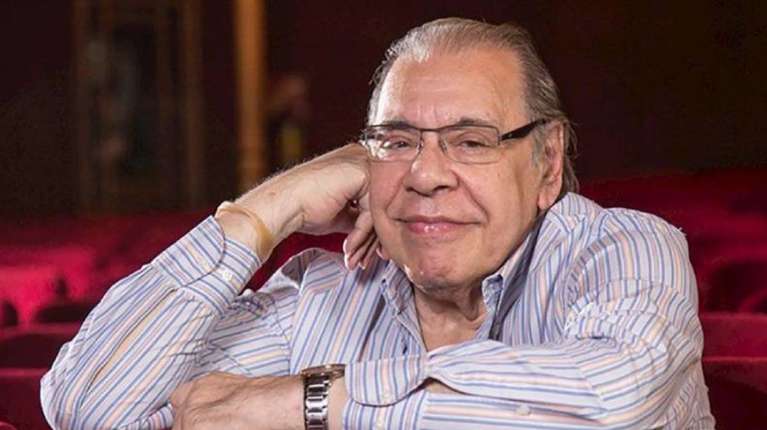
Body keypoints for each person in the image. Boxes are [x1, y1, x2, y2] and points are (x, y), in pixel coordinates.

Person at [41, 18, 714, 429]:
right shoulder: (324, 293)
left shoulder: (625, 249)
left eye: (471, 141)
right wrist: (264, 211)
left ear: (548, 162)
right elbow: (90, 407)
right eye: (396, 142)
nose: (426, 174)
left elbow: (610, 401)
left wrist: (308, 403)